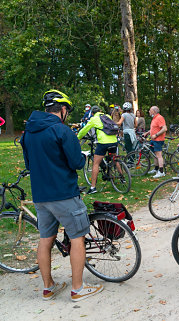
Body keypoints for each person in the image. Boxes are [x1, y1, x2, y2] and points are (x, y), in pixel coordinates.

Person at [20, 89, 103, 302]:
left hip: (40, 196)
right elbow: (76, 163)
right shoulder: (62, 131)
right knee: (77, 238)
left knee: (45, 240)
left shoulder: (28, 132)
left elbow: (30, 164)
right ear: (63, 109)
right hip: (64, 194)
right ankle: (77, 289)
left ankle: (48, 287)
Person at [77, 105, 119, 194]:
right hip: (114, 141)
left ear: (92, 113)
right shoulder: (107, 116)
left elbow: (84, 130)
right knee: (115, 159)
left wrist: (78, 137)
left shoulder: (93, 119)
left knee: (95, 163)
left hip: (103, 143)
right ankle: (122, 178)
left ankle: (93, 187)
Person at [143, 106, 167, 178]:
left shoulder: (159, 118)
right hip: (153, 140)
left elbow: (164, 128)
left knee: (158, 155)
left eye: (150, 110)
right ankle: (156, 169)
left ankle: (161, 172)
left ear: (154, 111)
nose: (149, 112)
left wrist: (156, 135)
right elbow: (154, 128)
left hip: (158, 140)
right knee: (154, 155)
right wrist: (147, 133)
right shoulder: (154, 118)